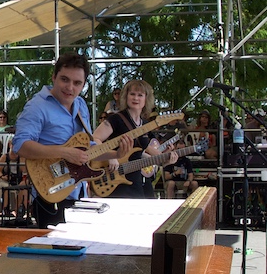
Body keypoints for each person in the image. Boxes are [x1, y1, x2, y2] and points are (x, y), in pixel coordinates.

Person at [13, 52, 120, 227]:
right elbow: (20, 145)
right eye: (64, 79)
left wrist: (116, 152)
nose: (70, 87)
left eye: (77, 83)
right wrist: (65, 153)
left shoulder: (81, 105)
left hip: (78, 191)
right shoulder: (36, 106)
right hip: (50, 192)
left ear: (84, 84)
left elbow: (88, 149)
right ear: (54, 77)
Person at [91, 79, 177, 199]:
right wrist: (110, 156)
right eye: (132, 94)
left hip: (135, 178)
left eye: (140, 95)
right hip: (114, 177)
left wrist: (167, 158)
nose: (135, 98)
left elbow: (151, 156)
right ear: (126, 97)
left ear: (146, 99)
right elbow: (95, 138)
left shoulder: (145, 125)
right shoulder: (116, 119)